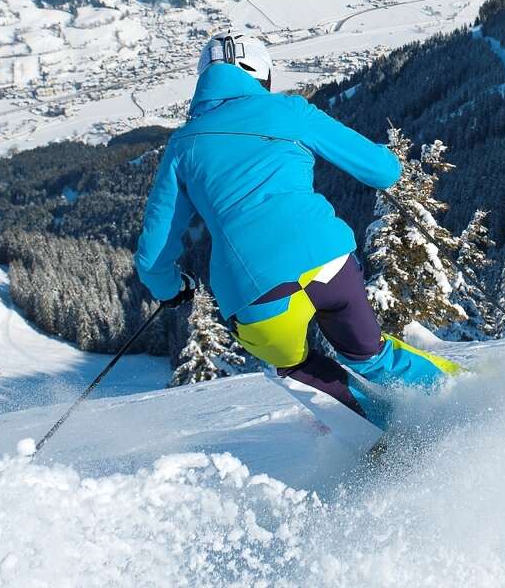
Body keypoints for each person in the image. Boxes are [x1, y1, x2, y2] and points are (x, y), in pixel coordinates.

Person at [134, 33, 460, 429]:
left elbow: (152, 258)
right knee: (370, 357)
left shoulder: (182, 146)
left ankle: (387, 434)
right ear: (263, 74)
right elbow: (385, 170)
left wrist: (173, 290)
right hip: (329, 264)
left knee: (293, 367)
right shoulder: (291, 112)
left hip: (253, 293)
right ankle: (465, 398)